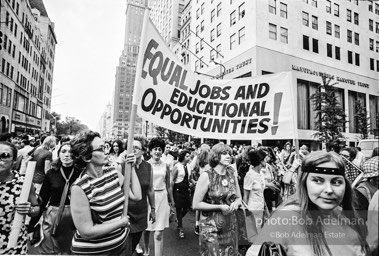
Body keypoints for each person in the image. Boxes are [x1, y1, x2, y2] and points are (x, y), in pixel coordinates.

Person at [246, 151, 369, 256]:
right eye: (318, 181)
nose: (329, 190)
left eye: (336, 182)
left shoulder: (345, 217)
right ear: (304, 183)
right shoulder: (288, 218)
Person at [69, 131, 141, 255]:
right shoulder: (79, 187)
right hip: (93, 252)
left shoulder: (113, 173)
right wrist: (121, 222)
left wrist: (132, 167)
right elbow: (87, 231)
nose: (107, 151)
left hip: (120, 247)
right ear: (86, 157)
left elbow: (136, 195)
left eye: (106, 146)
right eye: (102, 148)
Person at [29, 142, 81, 254]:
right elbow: (42, 200)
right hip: (53, 217)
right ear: (58, 154)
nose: (67, 155)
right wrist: (32, 224)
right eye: (63, 151)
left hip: (74, 218)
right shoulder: (51, 174)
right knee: (49, 250)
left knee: (70, 250)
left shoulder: (81, 174)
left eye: (71, 152)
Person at [193, 142, 242, 256]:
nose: (229, 156)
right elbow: (196, 204)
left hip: (230, 226)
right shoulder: (206, 176)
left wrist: (236, 203)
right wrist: (219, 206)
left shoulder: (232, 174)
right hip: (211, 228)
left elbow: (239, 198)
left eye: (229, 154)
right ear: (215, 156)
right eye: (224, 154)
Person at [0, 141, 40, 255]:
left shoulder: (23, 183)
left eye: (5, 155)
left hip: (14, 246)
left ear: (14, 160)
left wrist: (29, 210)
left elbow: (36, 208)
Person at [124, 136, 156, 255]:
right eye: (131, 147)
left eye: (136, 148)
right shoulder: (122, 166)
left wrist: (153, 209)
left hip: (141, 213)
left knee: (132, 247)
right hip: (126, 214)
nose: (133, 150)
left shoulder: (148, 167)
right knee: (125, 249)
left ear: (143, 151)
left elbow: (150, 190)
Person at [143, 138, 174, 256]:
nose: (157, 151)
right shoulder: (145, 165)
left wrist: (172, 203)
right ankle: (146, 248)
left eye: (160, 149)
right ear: (150, 151)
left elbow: (169, 186)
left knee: (158, 233)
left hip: (162, 198)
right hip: (148, 198)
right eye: (155, 149)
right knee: (147, 229)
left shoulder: (166, 166)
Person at [243, 149, 267, 230]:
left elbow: (261, 193)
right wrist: (245, 212)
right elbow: (245, 195)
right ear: (260, 161)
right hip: (252, 210)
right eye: (264, 159)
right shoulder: (249, 175)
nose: (266, 161)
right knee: (253, 234)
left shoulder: (261, 173)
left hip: (260, 208)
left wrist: (265, 209)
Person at [171, 149, 192, 239]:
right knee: (179, 210)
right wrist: (171, 197)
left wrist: (192, 182)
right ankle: (181, 228)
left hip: (186, 190)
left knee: (187, 208)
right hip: (178, 190)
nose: (189, 157)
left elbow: (189, 179)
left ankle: (178, 220)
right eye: (187, 156)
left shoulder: (189, 166)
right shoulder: (177, 166)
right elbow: (172, 181)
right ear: (183, 157)